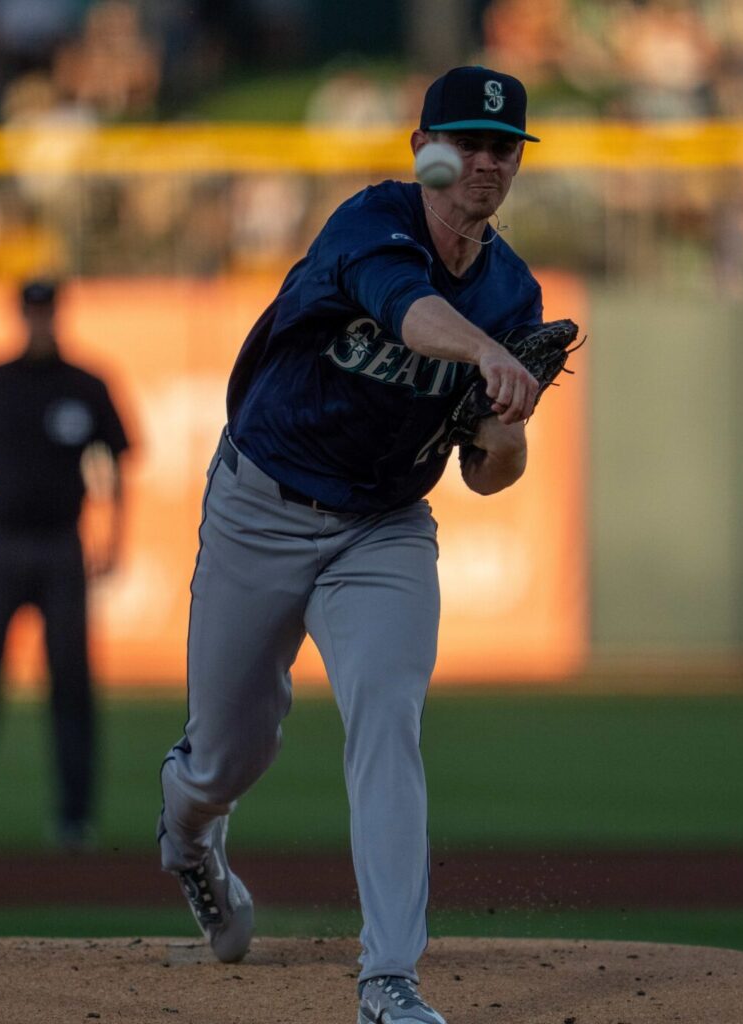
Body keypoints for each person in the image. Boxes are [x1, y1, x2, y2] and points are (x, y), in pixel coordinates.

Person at [157, 66, 546, 1024]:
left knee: (386, 717)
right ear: (426, 150)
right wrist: (486, 354)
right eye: (469, 143)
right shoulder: (371, 221)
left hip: (384, 526)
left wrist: (506, 438)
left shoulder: (513, 293)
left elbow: (486, 473)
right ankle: (191, 835)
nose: (488, 162)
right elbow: (405, 306)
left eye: (505, 147)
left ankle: (388, 981)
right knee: (227, 753)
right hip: (263, 502)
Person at [0, 278, 132, 856]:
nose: (39, 322)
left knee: (71, 685)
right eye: (31, 312)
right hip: (4, 547)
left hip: (63, 547)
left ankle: (74, 820)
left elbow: (118, 462)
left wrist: (114, 540)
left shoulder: (86, 384)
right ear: (22, 316)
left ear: (57, 315)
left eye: (46, 312)